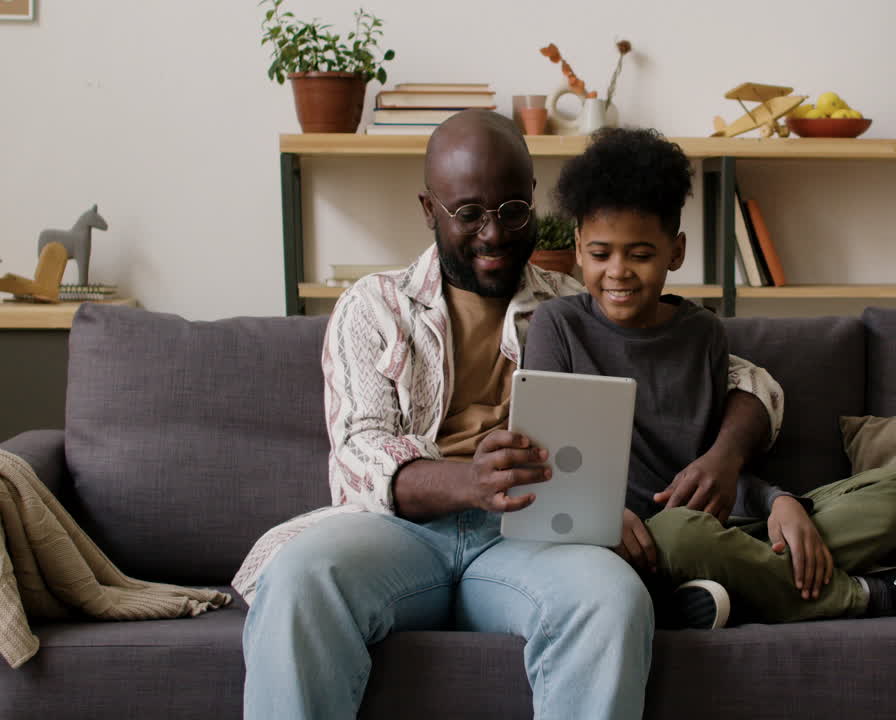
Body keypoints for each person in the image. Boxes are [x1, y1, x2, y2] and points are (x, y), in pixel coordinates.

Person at [231, 110, 786, 720]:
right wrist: (469, 480)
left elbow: (747, 380)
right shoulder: (374, 306)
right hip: (401, 535)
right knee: (300, 578)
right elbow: (359, 453)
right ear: (429, 210)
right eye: (468, 213)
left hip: (532, 539)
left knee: (612, 598)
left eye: (512, 210)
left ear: (534, 203)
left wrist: (727, 455)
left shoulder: (577, 300)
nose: (493, 233)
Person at [523, 127, 896, 628]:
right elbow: (546, 461)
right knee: (684, 534)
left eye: (640, 255)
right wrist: (598, 519)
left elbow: (713, 472)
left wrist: (780, 502)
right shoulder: (559, 327)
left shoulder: (702, 333)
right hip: (632, 542)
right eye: (600, 254)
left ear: (675, 252)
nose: (618, 271)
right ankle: (862, 595)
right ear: (576, 248)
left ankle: (719, 588)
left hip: (720, 529)